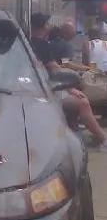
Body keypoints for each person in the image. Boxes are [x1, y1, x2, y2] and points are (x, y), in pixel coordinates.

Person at [30, 13, 107, 151]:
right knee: (82, 102)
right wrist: (71, 86)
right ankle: (103, 139)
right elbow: (58, 69)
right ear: (44, 27)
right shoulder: (47, 45)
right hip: (46, 92)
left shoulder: (30, 44)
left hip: (37, 88)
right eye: (47, 24)